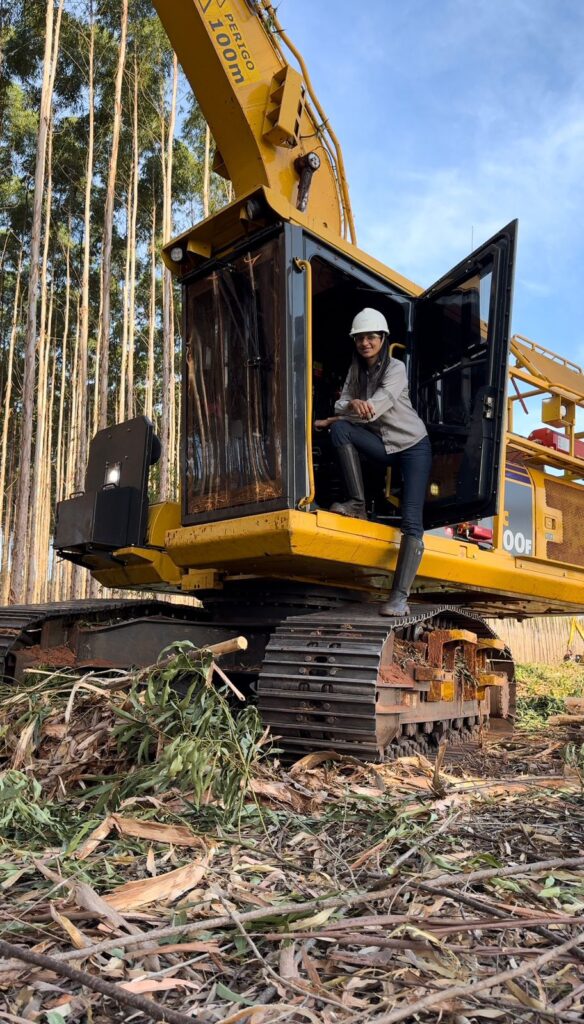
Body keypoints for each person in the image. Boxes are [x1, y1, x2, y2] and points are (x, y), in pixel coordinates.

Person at [314, 308, 432, 617]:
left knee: (411, 521)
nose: (366, 343)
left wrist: (338, 413)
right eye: (360, 338)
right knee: (341, 431)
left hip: (413, 447)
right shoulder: (356, 370)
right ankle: (357, 503)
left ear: (382, 339)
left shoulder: (396, 368)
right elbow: (345, 401)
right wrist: (343, 411)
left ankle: (399, 597)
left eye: (371, 337)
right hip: (385, 445)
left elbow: (373, 410)